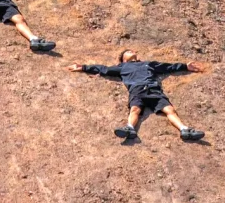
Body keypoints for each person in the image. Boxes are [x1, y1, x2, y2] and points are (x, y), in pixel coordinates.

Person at [69, 49, 205, 143]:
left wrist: (185, 66)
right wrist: (83, 67)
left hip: (154, 90)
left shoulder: (148, 64)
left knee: (170, 110)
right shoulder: (122, 67)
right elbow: (103, 69)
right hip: (137, 90)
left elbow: (166, 67)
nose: (132, 52)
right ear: (123, 59)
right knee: (135, 109)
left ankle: (185, 130)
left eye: (133, 51)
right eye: (128, 52)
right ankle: (130, 129)